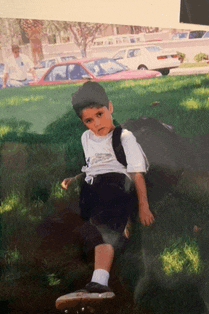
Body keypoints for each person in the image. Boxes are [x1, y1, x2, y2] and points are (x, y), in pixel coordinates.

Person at [61, 81, 155, 296]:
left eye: (100, 114)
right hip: (91, 190)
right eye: (89, 120)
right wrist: (75, 178)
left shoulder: (123, 137)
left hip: (115, 187)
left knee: (104, 232)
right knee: (85, 229)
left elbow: (137, 173)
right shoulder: (86, 138)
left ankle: (100, 282)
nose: (96, 123)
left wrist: (144, 206)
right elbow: (93, 165)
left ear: (110, 107)